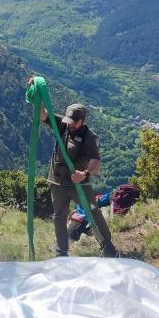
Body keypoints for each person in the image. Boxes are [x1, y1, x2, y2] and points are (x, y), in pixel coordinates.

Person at [27, 77, 117, 257]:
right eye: (69, 120)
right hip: (58, 181)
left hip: (78, 183)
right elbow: (43, 115)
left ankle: (108, 247)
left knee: (93, 212)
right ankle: (62, 251)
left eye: (74, 122)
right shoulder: (65, 125)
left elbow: (95, 162)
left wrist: (85, 174)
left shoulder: (89, 137)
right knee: (59, 216)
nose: (70, 125)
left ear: (82, 120)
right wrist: (36, 93)